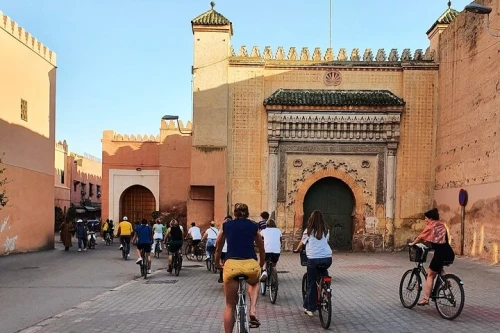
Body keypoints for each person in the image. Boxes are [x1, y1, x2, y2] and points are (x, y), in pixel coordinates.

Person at [215, 203, 265, 332]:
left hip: (231, 264)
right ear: (247, 213)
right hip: (250, 264)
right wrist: (261, 264)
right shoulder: (254, 226)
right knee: (254, 283)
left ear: (234, 213)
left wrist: (217, 263)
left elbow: (218, 247)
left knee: (230, 305)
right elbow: (261, 247)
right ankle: (252, 309)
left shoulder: (226, 225)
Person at [409, 208, 455, 306]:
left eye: (426, 218)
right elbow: (437, 241)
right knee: (438, 268)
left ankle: (426, 299)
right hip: (449, 253)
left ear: (430, 218)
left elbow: (420, 236)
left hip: (440, 254)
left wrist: (412, 243)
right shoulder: (442, 225)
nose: (425, 220)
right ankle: (446, 281)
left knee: (430, 275)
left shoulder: (431, 226)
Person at [293, 210, 332, 317]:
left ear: (311, 219)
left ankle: (310, 308)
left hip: (313, 260)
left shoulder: (308, 231)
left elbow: (302, 243)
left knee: (311, 283)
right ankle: (327, 289)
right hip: (327, 259)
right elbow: (326, 242)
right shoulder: (326, 230)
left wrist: (297, 249)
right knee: (324, 275)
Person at [217, 215, 232, 283]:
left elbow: (218, 241)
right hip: (231, 251)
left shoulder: (221, 231)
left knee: (222, 263)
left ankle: (221, 276)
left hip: (223, 250)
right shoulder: (234, 231)